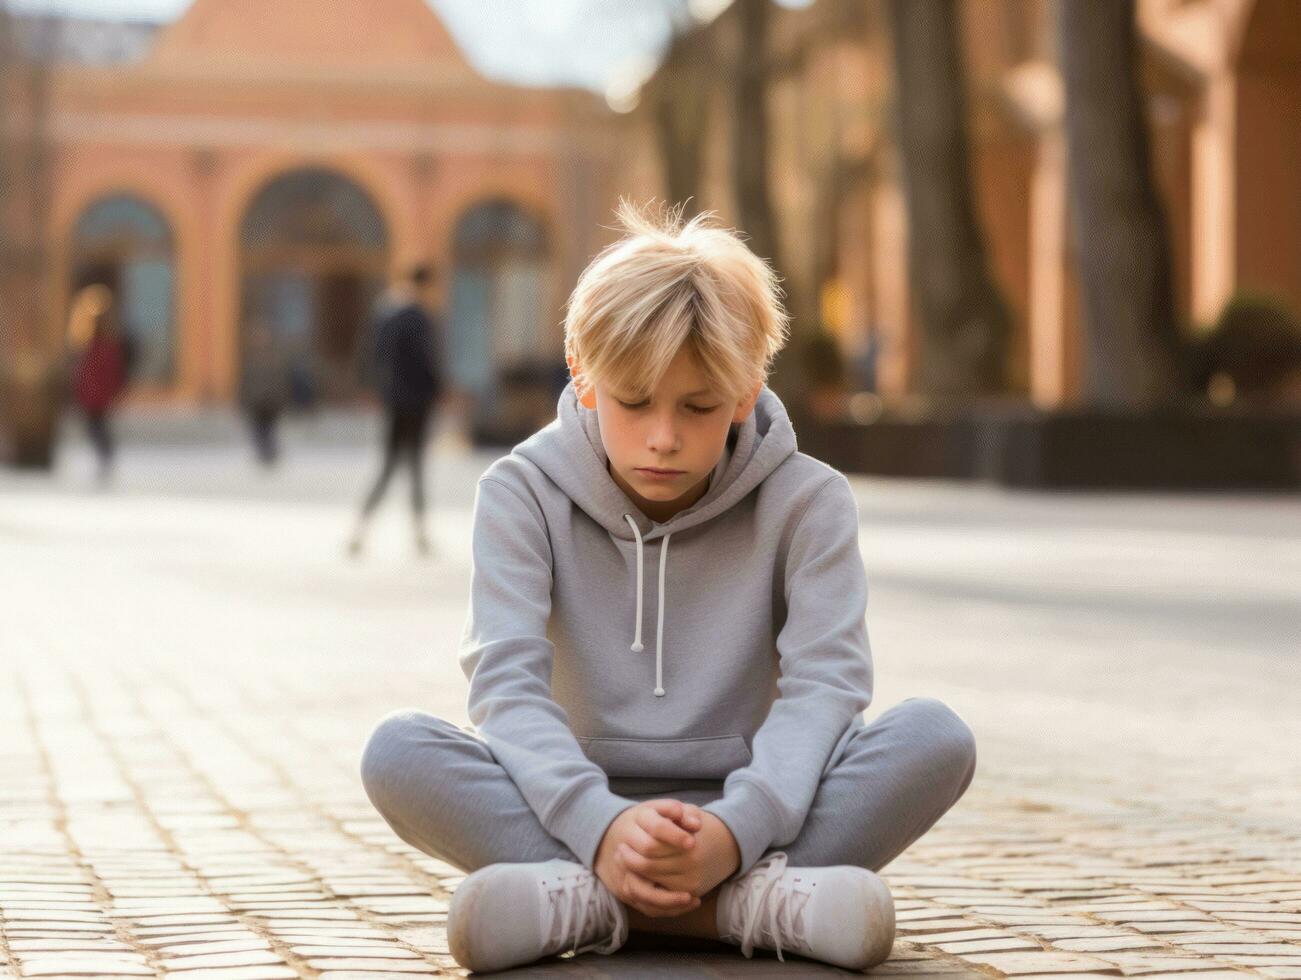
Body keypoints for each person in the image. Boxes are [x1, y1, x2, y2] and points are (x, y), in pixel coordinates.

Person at [358, 201, 977, 972]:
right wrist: (602, 827)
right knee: (397, 751)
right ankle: (743, 910)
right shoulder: (520, 493)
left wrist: (733, 832)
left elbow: (825, 688)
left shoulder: (810, 501)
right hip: (571, 809)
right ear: (582, 378)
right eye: (633, 401)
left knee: (934, 738)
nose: (662, 436)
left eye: (698, 407)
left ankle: (592, 904)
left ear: (746, 392)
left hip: (756, 810)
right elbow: (506, 687)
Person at [347, 263, 446, 557]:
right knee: (414, 466)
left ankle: (360, 530)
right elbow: (424, 360)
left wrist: (372, 387)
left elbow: (369, 353)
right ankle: (419, 535)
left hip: (392, 399)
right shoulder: (417, 316)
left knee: (388, 465)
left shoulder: (385, 312)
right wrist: (439, 389)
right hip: (416, 401)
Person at [71, 290, 132, 484]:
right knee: (96, 427)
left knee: (97, 427)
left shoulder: (103, 346)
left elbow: (110, 372)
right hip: (94, 394)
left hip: (97, 394)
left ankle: (105, 456)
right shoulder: (91, 345)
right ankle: (105, 457)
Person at [239, 324, 291, 467]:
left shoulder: (274, 360)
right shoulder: (250, 361)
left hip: (270, 403)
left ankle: (270, 454)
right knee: (257, 430)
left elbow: (280, 382)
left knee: (269, 430)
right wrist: (243, 400)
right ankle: (263, 454)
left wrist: (281, 400)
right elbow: (245, 382)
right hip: (255, 402)